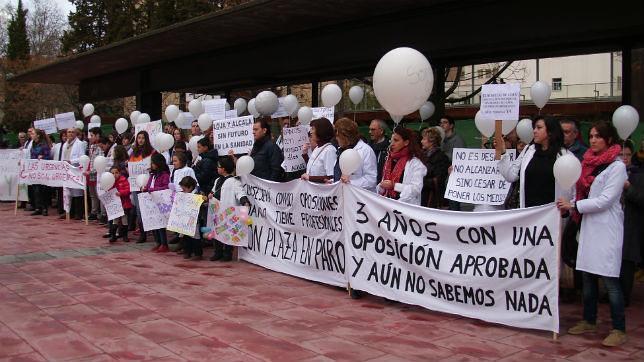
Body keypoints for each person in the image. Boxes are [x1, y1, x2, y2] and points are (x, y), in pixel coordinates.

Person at [557, 121, 627, 347]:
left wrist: (575, 206)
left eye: (598, 136)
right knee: (587, 276)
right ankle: (589, 319)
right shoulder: (586, 163)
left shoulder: (617, 167)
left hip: (606, 229)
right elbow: (584, 193)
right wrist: (570, 204)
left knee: (609, 279)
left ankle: (619, 328)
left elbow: (606, 200)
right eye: (592, 136)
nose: (594, 140)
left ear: (608, 139)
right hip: (588, 227)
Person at [498, 117, 572, 208]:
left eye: (539, 128)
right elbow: (511, 175)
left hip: (551, 214)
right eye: (534, 128)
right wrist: (502, 152)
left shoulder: (564, 155)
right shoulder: (529, 150)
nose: (534, 131)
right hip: (529, 212)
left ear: (550, 131)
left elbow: (570, 189)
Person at [208, 157, 250, 262]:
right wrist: (210, 195)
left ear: (224, 169)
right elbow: (214, 191)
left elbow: (240, 192)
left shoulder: (234, 181)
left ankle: (227, 253)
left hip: (228, 211)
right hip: (217, 210)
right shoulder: (217, 180)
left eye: (219, 167)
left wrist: (244, 201)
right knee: (217, 231)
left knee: (228, 232)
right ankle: (218, 252)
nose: (217, 168)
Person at [377, 127, 426, 205]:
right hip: (387, 205)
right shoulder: (389, 159)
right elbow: (383, 183)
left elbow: (416, 189)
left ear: (406, 142)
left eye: (396, 140)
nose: (392, 144)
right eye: (391, 140)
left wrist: (394, 186)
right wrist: (381, 186)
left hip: (406, 209)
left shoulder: (416, 163)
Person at [620, 140, 643, 307]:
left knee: (627, 262)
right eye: (621, 155)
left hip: (631, 224)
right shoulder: (611, 171)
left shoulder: (638, 175)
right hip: (614, 223)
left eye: (628, 155)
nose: (625, 158)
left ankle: (624, 296)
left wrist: (628, 188)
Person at [333, 118, 377, 191]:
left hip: (359, 197)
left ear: (345, 136)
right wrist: (333, 181)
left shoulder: (366, 150)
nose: (336, 138)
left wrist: (351, 182)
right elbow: (339, 174)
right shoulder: (340, 150)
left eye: (338, 135)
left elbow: (371, 179)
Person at [129, 131, 156, 242]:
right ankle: (143, 233)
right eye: (138, 138)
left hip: (148, 184)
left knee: (150, 209)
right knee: (139, 210)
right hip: (136, 185)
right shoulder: (133, 153)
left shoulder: (152, 152)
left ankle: (155, 233)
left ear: (147, 139)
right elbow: (130, 168)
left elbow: (156, 165)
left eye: (142, 138)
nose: (140, 140)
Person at [143, 153, 171, 252]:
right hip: (152, 202)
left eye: (153, 163)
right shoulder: (153, 175)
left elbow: (166, 187)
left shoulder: (165, 175)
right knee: (153, 223)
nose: (152, 165)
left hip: (161, 202)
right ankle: (158, 242)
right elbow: (148, 185)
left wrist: (154, 189)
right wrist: (145, 189)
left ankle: (164, 243)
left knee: (160, 224)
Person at [420, 127, 450, 208]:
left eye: (424, 139)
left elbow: (439, 180)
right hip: (422, 196)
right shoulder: (422, 155)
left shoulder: (441, 157)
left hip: (433, 199)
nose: (421, 141)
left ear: (432, 141)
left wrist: (420, 181)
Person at [301, 118, 336, 184]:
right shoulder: (317, 147)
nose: (310, 131)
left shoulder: (329, 150)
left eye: (313, 128)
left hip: (323, 192)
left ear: (321, 131)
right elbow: (312, 168)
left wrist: (310, 178)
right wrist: (305, 155)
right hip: (314, 191)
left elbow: (331, 177)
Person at [62, 128, 87, 220]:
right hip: (67, 170)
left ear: (76, 134)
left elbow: (82, 157)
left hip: (76, 170)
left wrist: (71, 161)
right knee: (68, 192)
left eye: (73, 132)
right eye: (69, 132)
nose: (71, 134)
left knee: (77, 192)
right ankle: (69, 212)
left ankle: (79, 213)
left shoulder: (79, 144)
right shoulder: (65, 144)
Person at [179, 176, 204, 260]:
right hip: (185, 217)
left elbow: (202, 204)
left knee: (195, 236)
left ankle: (198, 254)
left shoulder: (198, 193)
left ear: (190, 187)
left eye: (185, 188)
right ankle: (187, 251)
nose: (184, 190)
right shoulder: (184, 194)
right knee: (185, 235)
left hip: (195, 219)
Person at [29, 129, 52, 216]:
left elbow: (48, 157)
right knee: (36, 189)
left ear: (38, 135)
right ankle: (38, 207)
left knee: (43, 189)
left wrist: (42, 157)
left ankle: (45, 208)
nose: (31, 135)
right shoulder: (33, 144)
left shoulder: (44, 145)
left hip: (42, 170)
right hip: (35, 170)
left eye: (33, 133)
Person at [107, 166, 132, 242]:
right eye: (113, 173)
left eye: (116, 173)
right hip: (115, 205)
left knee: (124, 220)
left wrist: (121, 193)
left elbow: (128, 190)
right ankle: (113, 236)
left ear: (119, 173)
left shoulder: (124, 180)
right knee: (115, 220)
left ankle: (125, 236)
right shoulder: (110, 181)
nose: (115, 174)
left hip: (124, 204)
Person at [87, 127, 104, 221]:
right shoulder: (92, 146)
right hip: (91, 175)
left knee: (99, 194)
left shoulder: (100, 147)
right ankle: (94, 212)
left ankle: (103, 214)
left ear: (97, 135)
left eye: (92, 135)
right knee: (93, 194)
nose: (90, 137)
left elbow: (100, 162)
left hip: (97, 174)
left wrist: (91, 171)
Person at [368, 119, 390, 183]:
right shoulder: (367, 147)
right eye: (370, 129)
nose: (369, 132)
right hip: (368, 184)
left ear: (381, 131)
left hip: (383, 184)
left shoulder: (389, 148)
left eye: (373, 129)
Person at [52, 129, 67, 216]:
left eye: (66, 136)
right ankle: (60, 207)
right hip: (58, 170)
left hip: (65, 169)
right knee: (59, 190)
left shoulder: (68, 145)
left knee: (65, 190)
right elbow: (51, 152)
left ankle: (65, 208)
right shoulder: (57, 145)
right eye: (63, 136)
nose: (64, 137)